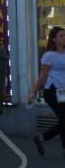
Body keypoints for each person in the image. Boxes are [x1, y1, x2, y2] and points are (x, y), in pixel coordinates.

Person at [31, 26, 65, 157]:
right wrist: (33, 92)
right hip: (52, 91)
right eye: (61, 36)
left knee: (64, 119)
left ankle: (42, 137)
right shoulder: (49, 55)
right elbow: (43, 77)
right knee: (64, 118)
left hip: (63, 92)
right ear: (54, 39)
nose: (64, 37)